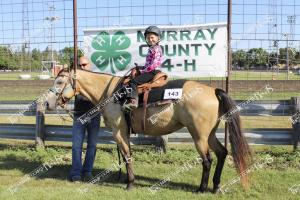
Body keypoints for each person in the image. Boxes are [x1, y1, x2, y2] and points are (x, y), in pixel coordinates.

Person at [69, 56, 100, 182]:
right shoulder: (76, 79)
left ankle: (87, 172)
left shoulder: (96, 79)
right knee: (77, 145)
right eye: (80, 65)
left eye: (85, 64)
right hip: (79, 115)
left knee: (92, 145)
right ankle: (76, 173)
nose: (83, 67)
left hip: (94, 115)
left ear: (90, 65)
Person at [124, 26, 163, 110]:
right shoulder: (152, 48)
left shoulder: (156, 49)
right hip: (151, 70)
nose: (150, 39)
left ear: (158, 38)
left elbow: (154, 64)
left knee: (133, 82)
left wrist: (143, 71)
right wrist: (141, 67)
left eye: (152, 37)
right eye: (148, 37)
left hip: (153, 72)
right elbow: (149, 63)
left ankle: (133, 102)